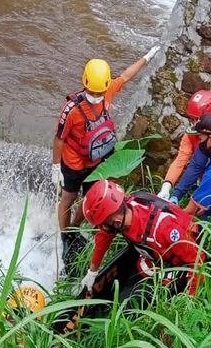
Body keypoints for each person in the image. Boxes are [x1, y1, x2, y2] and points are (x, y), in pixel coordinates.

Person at [52, 45, 160, 276]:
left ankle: (75, 228)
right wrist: (55, 166)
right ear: (85, 83)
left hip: (96, 160)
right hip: (72, 162)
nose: (97, 97)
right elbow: (59, 138)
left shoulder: (106, 91)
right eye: (95, 93)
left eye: (100, 93)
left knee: (89, 198)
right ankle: (65, 236)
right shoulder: (71, 109)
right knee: (68, 198)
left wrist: (147, 57)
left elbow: (127, 75)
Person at [80, 180, 204, 296]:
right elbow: (103, 238)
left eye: (103, 223)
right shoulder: (127, 208)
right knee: (136, 276)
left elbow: (198, 259)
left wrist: (190, 297)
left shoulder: (164, 227)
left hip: (180, 260)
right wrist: (92, 271)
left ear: (116, 220)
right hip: (154, 256)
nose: (103, 227)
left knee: (137, 297)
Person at [157, 90, 211, 203]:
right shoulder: (190, 135)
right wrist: (167, 186)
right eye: (192, 119)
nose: (194, 124)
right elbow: (181, 160)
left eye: (197, 120)